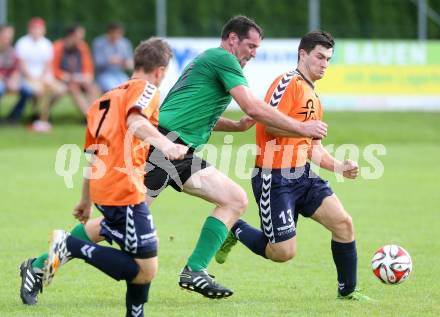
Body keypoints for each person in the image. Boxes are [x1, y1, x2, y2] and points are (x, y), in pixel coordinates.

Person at [20, 15, 327, 303]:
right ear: (232, 39)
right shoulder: (223, 59)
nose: (254, 54)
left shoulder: (213, 61)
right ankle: (37, 266)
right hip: (163, 146)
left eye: (258, 48)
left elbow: (186, 110)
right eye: (251, 46)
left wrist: (232, 126)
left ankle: (194, 271)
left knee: (234, 199)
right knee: (115, 224)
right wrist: (302, 127)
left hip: (180, 150)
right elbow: (253, 107)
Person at [20, 38, 188, 317]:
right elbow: (136, 121)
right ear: (159, 70)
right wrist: (166, 145)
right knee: (145, 269)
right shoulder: (147, 89)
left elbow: (95, 155)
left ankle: (135, 312)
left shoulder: (103, 100)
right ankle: (69, 245)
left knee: (142, 268)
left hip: (105, 188)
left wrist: (85, 200)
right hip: (125, 189)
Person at [214, 30, 371, 301]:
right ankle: (234, 229)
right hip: (273, 177)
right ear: (303, 54)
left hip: (303, 175)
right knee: (283, 253)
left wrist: (338, 166)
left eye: (329, 59)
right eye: (319, 57)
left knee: (344, 223)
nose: (324, 64)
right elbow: (268, 125)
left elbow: (311, 146)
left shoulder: (314, 95)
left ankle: (347, 292)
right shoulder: (288, 83)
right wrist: (303, 129)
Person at [51, 25, 99, 119]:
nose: (82, 38)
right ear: (71, 36)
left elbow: (88, 67)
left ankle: (96, 114)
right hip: (63, 80)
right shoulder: (58, 47)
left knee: (93, 88)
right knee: (73, 88)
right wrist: (62, 75)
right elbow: (52, 68)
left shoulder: (82, 47)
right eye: (79, 36)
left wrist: (86, 77)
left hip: (79, 78)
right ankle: (88, 117)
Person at [0, 24, 32, 123]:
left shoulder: (12, 51)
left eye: (10, 36)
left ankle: (13, 117)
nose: (8, 39)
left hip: (10, 80)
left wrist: (14, 79)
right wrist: (6, 81)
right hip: (2, 80)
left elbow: (17, 68)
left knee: (28, 90)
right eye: (6, 36)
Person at [92, 22, 133, 92]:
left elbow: (130, 62)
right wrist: (109, 61)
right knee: (114, 89)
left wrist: (126, 63)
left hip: (119, 73)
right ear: (109, 33)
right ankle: (107, 103)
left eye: (120, 33)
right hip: (103, 74)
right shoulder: (99, 43)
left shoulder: (124, 43)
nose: (118, 36)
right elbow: (96, 62)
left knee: (129, 88)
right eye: (116, 33)